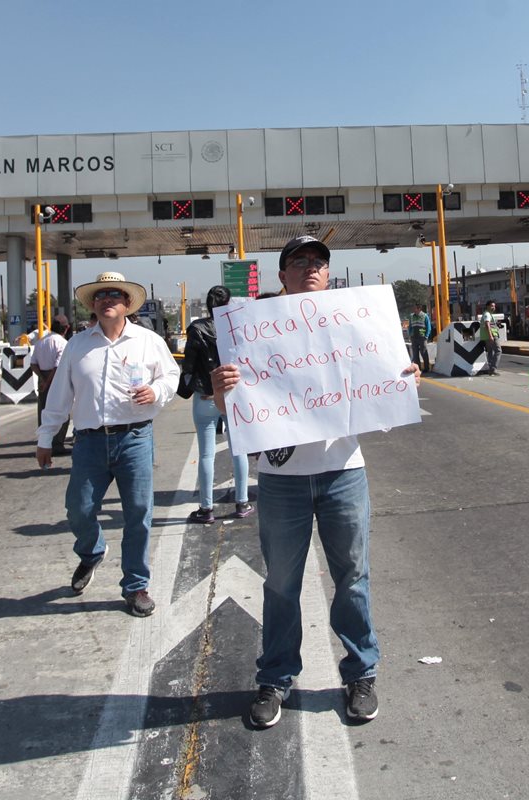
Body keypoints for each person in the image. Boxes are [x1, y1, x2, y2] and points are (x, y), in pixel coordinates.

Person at [212, 236, 421, 728]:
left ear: (329, 275)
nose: (310, 268)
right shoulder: (252, 331)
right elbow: (234, 410)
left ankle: (360, 673)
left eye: (319, 263)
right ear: (281, 275)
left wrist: (405, 381)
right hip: (282, 480)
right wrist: (223, 394)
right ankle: (276, 678)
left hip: (343, 473)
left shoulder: (355, 322)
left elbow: (384, 387)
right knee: (282, 584)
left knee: (352, 578)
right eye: (300, 261)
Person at [36, 272, 180, 617]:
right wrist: (45, 437)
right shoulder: (78, 345)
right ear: (93, 304)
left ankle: (135, 586)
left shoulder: (147, 341)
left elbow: (171, 375)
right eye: (101, 295)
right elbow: (58, 396)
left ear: (127, 303)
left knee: (138, 515)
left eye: (115, 294)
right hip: (89, 442)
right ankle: (91, 551)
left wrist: (156, 391)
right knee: (79, 508)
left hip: (134, 438)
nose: (108, 300)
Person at [178, 285, 251, 524]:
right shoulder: (235, 326)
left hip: (205, 397)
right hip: (232, 395)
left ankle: (206, 508)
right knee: (239, 450)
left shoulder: (197, 329)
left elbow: (188, 366)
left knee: (206, 453)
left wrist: (193, 387)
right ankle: (242, 502)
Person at [31, 313, 71, 456]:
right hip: (56, 379)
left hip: (43, 378)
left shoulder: (41, 341)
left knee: (43, 412)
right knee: (60, 411)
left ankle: (45, 442)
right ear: (66, 328)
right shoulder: (63, 343)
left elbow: (33, 364)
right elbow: (58, 367)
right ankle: (57, 444)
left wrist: (41, 379)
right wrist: (48, 382)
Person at [408, 303, 432, 374]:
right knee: (415, 354)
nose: (413, 309)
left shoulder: (425, 316)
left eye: (415, 308)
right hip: (414, 337)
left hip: (422, 337)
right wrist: (410, 335)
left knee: (424, 353)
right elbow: (410, 327)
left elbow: (428, 327)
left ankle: (426, 368)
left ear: (419, 309)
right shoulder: (411, 316)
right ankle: (417, 369)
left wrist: (426, 336)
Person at [480, 300, 501, 375]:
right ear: (487, 306)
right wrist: (490, 336)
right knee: (498, 351)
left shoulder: (487, 314)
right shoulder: (487, 314)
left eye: (494, 306)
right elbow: (487, 324)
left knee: (490, 352)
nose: (493, 308)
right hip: (491, 336)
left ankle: (490, 369)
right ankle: (493, 368)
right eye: (492, 306)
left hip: (487, 336)